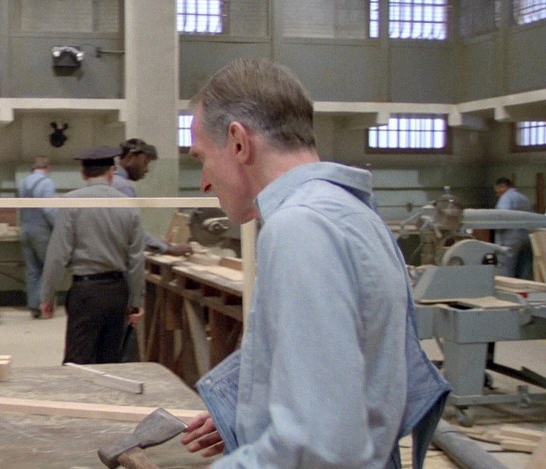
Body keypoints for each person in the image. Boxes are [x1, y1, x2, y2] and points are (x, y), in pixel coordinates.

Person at [179, 58, 450, 468]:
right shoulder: (351, 211)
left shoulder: (299, 228)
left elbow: (317, 447)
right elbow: (355, 368)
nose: (204, 181)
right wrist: (253, 406)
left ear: (238, 142)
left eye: (201, 157)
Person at [39, 146, 145, 364]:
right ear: (111, 172)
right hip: (117, 291)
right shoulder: (128, 205)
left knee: (78, 360)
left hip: (86, 292)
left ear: (83, 174)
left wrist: (47, 295)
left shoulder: (71, 202)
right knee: (110, 361)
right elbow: (136, 259)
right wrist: (136, 301)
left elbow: (58, 254)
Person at [114, 138, 192, 256]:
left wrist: (159, 244)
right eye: (145, 162)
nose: (146, 169)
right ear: (130, 156)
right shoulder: (122, 187)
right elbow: (132, 231)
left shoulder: (114, 181)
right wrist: (166, 249)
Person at [18, 156, 57, 318]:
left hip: (25, 229)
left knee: (32, 270)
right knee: (48, 269)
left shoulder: (23, 183)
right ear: (47, 168)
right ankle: (46, 305)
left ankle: (34, 306)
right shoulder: (47, 183)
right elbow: (49, 209)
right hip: (41, 231)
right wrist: (58, 226)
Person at [494, 177, 534, 279]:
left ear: (502, 186)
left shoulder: (506, 198)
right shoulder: (524, 198)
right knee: (523, 271)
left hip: (509, 239)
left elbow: (502, 218)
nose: (497, 194)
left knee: (506, 271)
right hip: (526, 238)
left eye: (497, 191)